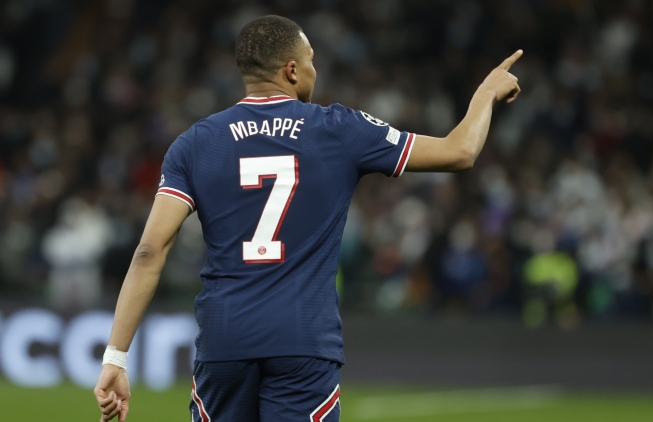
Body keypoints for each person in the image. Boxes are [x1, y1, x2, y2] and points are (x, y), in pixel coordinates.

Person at [93, 15, 521, 422]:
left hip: (224, 340)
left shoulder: (195, 143)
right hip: (303, 338)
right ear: (292, 70)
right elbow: (459, 151)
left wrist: (116, 357)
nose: (316, 70)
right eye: (312, 60)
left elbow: (149, 251)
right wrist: (486, 92)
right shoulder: (340, 128)